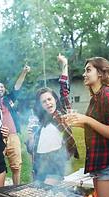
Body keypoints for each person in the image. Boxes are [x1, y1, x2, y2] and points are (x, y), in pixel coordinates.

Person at [65, 56, 109, 197]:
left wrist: (87, 119)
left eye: (88, 70)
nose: (84, 74)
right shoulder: (96, 97)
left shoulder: (108, 95)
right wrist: (81, 123)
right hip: (98, 162)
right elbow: (99, 127)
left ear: (100, 73)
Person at [25, 54, 79, 185]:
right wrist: (31, 137)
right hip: (38, 163)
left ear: (55, 99)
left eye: (49, 99)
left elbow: (64, 91)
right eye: (43, 102)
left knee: (46, 192)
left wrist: (64, 64)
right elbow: (32, 150)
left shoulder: (62, 114)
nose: (47, 103)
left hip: (55, 161)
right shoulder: (38, 121)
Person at [0, 63, 30, 185]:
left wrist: (24, 72)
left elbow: (17, 87)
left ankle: (16, 188)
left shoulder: (9, 99)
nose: (0, 89)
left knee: (16, 165)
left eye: (2, 87)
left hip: (13, 136)